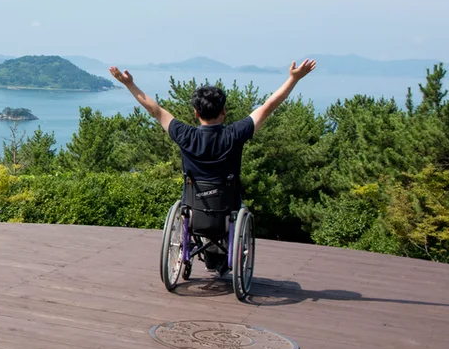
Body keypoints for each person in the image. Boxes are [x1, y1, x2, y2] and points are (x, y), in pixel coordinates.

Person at [106, 59, 317, 270]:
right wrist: (293, 79)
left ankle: (201, 254)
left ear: (196, 113)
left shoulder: (184, 135)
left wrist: (129, 84)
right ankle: (221, 258)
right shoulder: (234, 135)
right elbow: (268, 107)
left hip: (193, 208)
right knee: (239, 209)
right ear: (224, 110)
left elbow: (155, 110)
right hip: (228, 209)